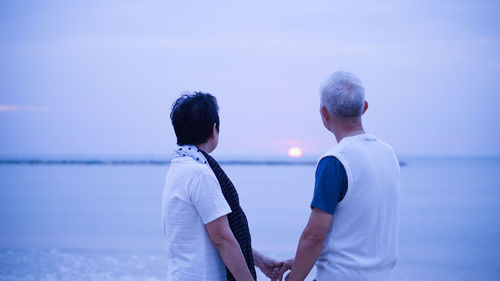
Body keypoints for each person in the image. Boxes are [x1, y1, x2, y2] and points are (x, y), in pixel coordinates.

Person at [276, 71, 400, 281]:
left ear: (324, 113)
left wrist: (294, 277)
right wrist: (300, 262)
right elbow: (356, 228)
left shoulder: (335, 161)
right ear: (365, 107)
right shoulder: (388, 154)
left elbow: (314, 236)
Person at [162, 92, 280, 281]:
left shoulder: (179, 167)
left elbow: (215, 233)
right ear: (213, 129)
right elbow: (222, 239)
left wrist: (261, 262)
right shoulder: (200, 173)